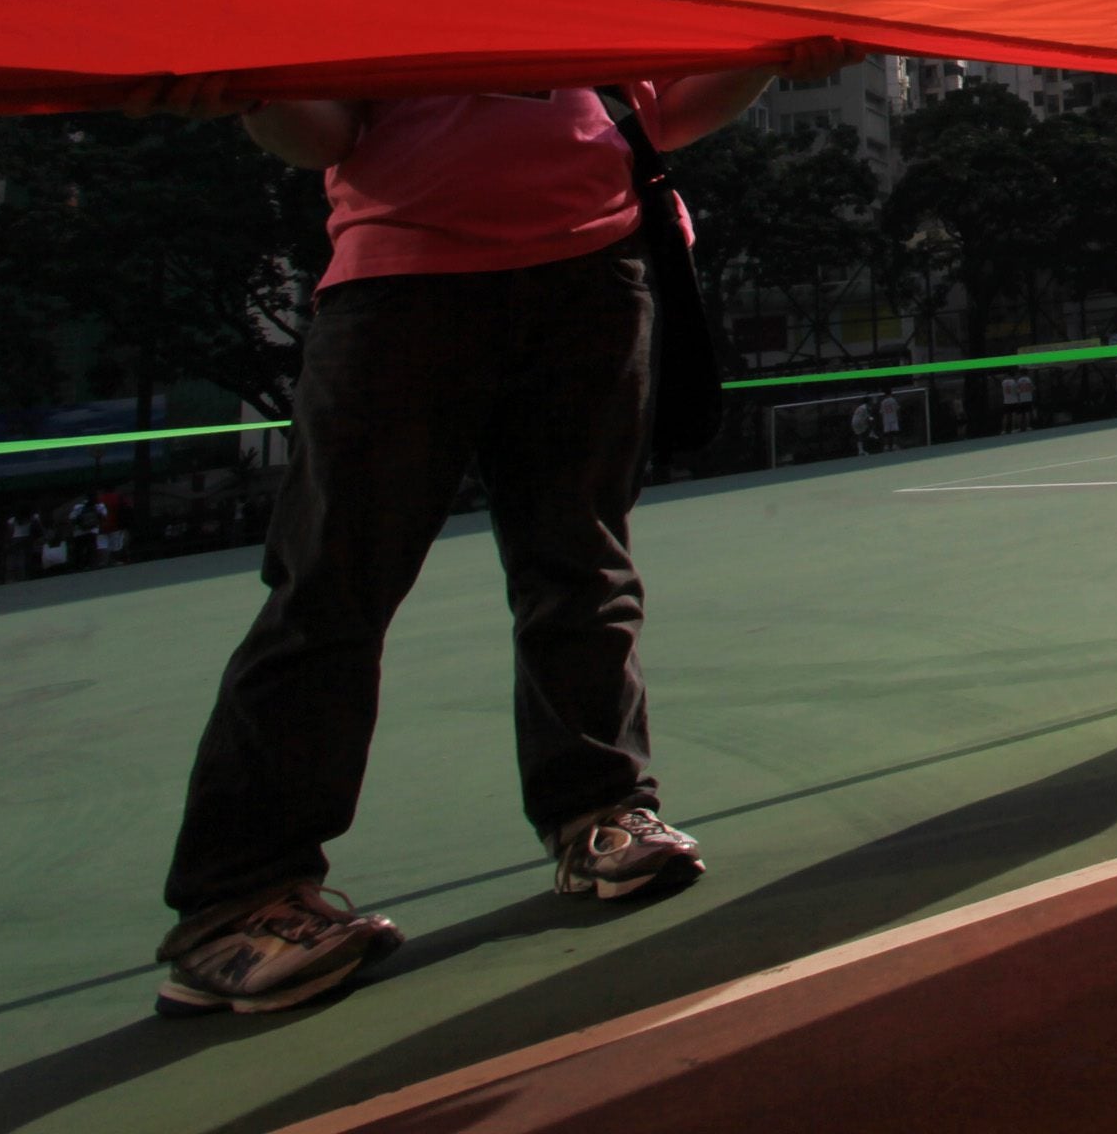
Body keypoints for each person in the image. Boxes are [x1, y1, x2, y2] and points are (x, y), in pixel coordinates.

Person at [142, 58, 812, 1019]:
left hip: (594, 270)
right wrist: (251, 86)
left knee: (581, 566)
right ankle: (236, 901)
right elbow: (326, 133)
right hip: (405, 286)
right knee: (331, 592)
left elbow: (660, 113)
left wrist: (770, 56)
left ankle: (602, 813)